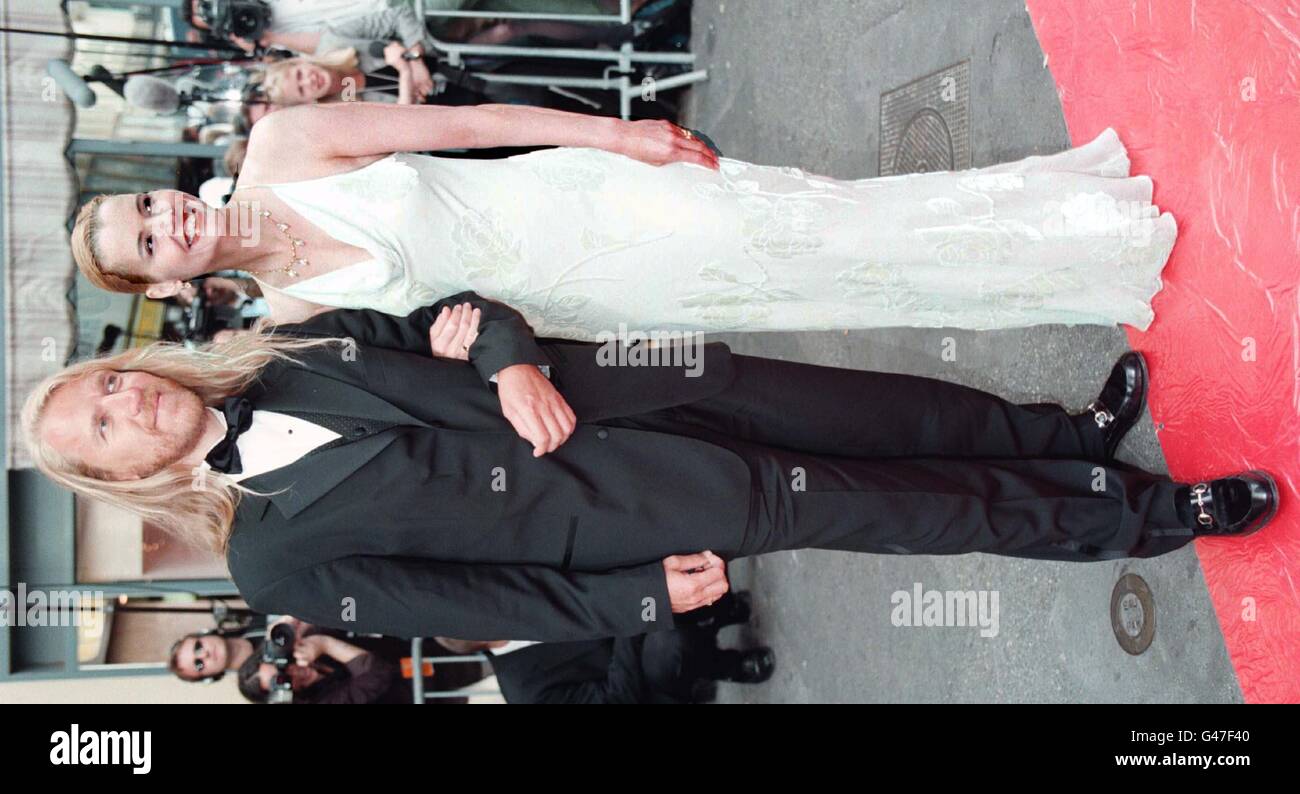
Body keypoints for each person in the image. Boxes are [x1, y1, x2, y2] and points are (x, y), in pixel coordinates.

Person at [22, 293, 1276, 642]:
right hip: (643, 506)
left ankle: (1067, 437)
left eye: (109, 378)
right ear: (115, 476)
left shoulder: (289, 342)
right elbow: (459, 607)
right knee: (904, 506)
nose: (124, 401)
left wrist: (507, 356)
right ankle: (1154, 517)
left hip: (649, 383)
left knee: (893, 409)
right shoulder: (272, 556)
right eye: (101, 424)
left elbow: (447, 318)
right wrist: (626, 603)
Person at [70, 100, 1175, 333]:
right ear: (166, 283)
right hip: (593, 297)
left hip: (588, 191)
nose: (165, 218)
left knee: (826, 222)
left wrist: (616, 134)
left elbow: (456, 126)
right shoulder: (291, 313)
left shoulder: (282, 143)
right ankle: (1057, 267)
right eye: (148, 242)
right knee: (824, 286)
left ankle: (1073, 221)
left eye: (145, 202)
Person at [463, 592, 776, 704]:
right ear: (480, 634)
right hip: (640, 675)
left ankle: (722, 610)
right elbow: (616, 697)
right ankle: (732, 667)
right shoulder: (525, 692)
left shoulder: (519, 607)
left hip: (626, 620)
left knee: (653, 576)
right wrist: (629, 623)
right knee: (668, 642)